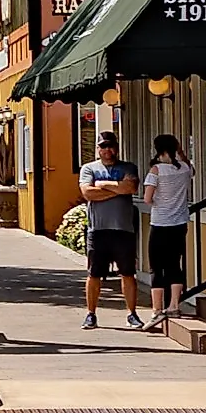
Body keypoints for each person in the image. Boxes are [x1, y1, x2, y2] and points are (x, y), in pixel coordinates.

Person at [78, 132, 144, 329]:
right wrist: (116, 189)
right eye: (103, 146)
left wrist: (102, 186)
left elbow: (131, 187)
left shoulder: (128, 167)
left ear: (116, 147)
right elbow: (87, 193)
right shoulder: (89, 168)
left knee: (128, 273)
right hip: (98, 230)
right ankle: (91, 314)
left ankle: (132, 314)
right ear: (98, 149)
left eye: (110, 146)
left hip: (123, 229)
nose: (107, 150)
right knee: (94, 274)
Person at [140, 134, 194, 327]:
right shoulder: (185, 168)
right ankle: (174, 306)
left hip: (160, 223)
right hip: (179, 223)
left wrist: (160, 203)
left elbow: (147, 199)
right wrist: (182, 154)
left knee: (157, 266)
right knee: (174, 265)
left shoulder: (156, 170)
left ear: (157, 148)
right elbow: (191, 169)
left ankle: (157, 309)